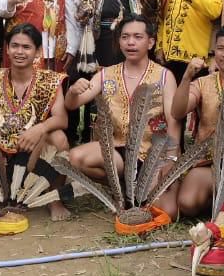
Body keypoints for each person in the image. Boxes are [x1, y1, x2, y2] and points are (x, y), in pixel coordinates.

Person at [64, 15, 182, 218]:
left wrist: (171, 158)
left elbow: (173, 121)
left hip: (152, 154)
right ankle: (121, 188)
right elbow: (72, 104)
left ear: (151, 42)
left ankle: (136, 191)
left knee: (167, 211)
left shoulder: (164, 76)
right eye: (125, 37)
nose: (131, 42)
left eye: (138, 37)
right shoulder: (106, 74)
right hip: (116, 151)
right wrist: (73, 91)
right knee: (75, 158)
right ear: (119, 41)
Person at [0, 24, 71, 221]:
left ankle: (53, 198)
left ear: (38, 52)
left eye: (26, 47)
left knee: (58, 138)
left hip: (32, 156)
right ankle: (0, 194)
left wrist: (40, 128)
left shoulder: (50, 81)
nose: (19, 52)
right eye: (14, 46)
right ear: (7, 49)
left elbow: (62, 119)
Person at [170, 24, 224, 218]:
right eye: (221, 49)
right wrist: (187, 77)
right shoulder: (203, 83)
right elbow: (177, 111)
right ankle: (220, 200)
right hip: (208, 161)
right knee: (187, 204)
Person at [62, 0, 94, 144]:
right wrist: (71, 49)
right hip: (73, 42)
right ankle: (70, 138)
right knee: (70, 88)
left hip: (98, 43)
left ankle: (93, 139)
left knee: (96, 93)